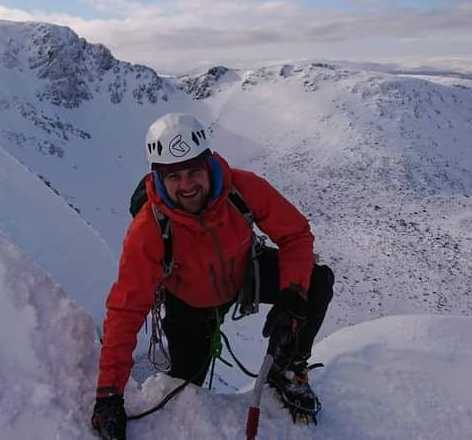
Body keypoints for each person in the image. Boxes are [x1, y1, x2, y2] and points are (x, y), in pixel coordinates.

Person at [91, 113, 334, 439]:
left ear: (209, 164)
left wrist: (291, 296)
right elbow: (126, 309)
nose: (187, 185)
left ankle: (287, 369)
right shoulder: (150, 228)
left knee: (316, 282)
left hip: (244, 273)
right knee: (185, 389)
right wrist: (108, 395)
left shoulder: (242, 188)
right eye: (175, 176)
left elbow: (296, 235)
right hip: (188, 303)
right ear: (159, 176)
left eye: (194, 171)